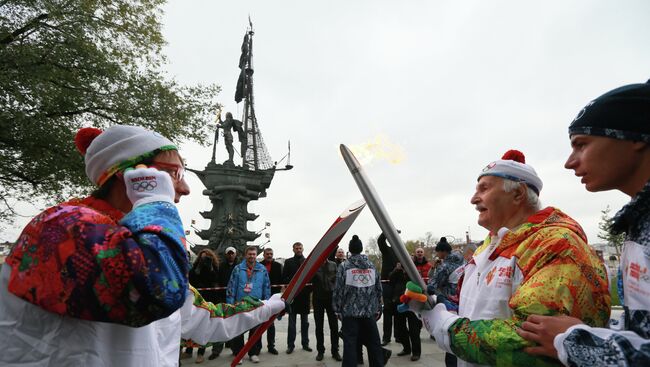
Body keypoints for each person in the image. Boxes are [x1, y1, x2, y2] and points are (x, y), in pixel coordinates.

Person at [0, 125, 285, 366]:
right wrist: (156, 201)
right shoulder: (62, 227)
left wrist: (264, 307)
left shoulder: (144, 244)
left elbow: (200, 320)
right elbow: (155, 293)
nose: (185, 188)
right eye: (175, 173)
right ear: (137, 175)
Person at [406, 149, 611, 366]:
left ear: (518, 193)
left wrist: (444, 326)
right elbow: (478, 311)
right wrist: (435, 306)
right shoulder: (485, 248)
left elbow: (531, 343)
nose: (473, 199)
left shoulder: (557, 246)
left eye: (484, 188)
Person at [516, 80, 650, 366]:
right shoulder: (638, 223)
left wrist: (574, 341)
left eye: (581, 145)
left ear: (636, 137)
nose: (569, 162)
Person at [333, 235, 389, 367]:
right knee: (374, 343)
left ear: (350, 250)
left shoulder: (344, 266)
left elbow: (338, 290)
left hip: (350, 312)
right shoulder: (371, 266)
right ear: (361, 248)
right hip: (369, 312)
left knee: (350, 344)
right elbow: (378, 288)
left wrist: (337, 309)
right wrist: (379, 307)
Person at [227, 246, 271, 364]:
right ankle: (238, 354)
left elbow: (266, 286)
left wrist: (267, 302)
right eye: (249, 254)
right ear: (245, 255)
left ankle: (253, 353)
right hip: (240, 304)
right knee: (239, 331)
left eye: (253, 254)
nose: (252, 256)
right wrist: (230, 304)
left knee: (255, 331)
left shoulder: (262, 269)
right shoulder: (238, 269)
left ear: (256, 255)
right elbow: (231, 287)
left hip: (256, 304)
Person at [181, 249, 222, 363]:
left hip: (208, 301)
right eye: (203, 258)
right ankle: (189, 351)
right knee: (191, 325)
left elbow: (214, 280)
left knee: (203, 327)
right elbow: (192, 279)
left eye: (207, 258)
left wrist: (209, 268)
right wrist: (198, 268)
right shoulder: (195, 268)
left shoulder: (214, 267)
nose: (205, 260)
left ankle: (200, 353)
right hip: (195, 300)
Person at [282, 242, 312, 353]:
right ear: (293, 249)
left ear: (303, 249)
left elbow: (311, 279)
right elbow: (284, 278)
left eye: (300, 248)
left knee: (305, 323)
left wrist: (308, 291)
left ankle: (305, 344)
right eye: (296, 248)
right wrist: (293, 285)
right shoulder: (288, 262)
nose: (298, 250)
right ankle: (290, 345)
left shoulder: (308, 262)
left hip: (304, 297)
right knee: (292, 324)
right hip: (292, 297)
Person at [390, 262, 422, 361]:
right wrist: (396, 269)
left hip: (412, 304)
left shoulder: (414, 272)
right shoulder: (397, 272)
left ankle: (416, 352)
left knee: (414, 330)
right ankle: (406, 348)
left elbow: (419, 282)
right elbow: (391, 279)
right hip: (399, 302)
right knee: (400, 328)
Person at [312, 258, 341, 361]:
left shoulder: (333, 264)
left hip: (331, 299)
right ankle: (320, 351)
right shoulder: (314, 265)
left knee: (334, 326)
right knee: (319, 327)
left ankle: (335, 351)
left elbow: (338, 280)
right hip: (318, 298)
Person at [427, 237, 464, 311]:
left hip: (451, 299)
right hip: (463, 295)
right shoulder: (462, 261)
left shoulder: (444, 267)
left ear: (443, 251)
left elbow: (433, 285)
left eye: (437, 252)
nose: (437, 254)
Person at [260, 247, 282, 355]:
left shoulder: (278, 266)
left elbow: (282, 282)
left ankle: (271, 346)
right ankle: (256, 347)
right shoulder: (259, 265)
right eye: (267, 254)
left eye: (271, 254)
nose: (269, 255)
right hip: (261, 297)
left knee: (271, 323)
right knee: (259, 323)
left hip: (273, 298)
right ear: (264, 255)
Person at [377, 232, 398, 346]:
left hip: (398, 285)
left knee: (398, 311)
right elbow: (380, 241)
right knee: (388, 311)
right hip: (387, 284)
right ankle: (386, 337)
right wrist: (387, 231)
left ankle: (399, 336)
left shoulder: (401, 252)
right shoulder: (387, 250)